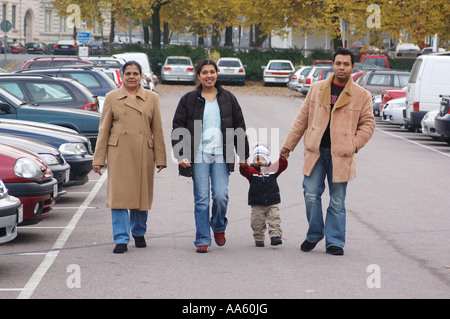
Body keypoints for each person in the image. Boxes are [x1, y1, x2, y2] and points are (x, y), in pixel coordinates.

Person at [280, 47, 375, 255]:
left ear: (352, 67)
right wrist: (288, 146)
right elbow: (302, 119)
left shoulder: (362, 95)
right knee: (311, 194)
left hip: (341, 155)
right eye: (338, 63)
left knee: (337, 200)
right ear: (333, 65)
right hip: (316, 151)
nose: (342, 67)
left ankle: (335, 241)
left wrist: (354, 144)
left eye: (346, 64)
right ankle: (314, 234)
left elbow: (368, 124)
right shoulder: (317, 89)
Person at [172, 59, 249, 253]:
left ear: (217, 73)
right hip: (198, 155)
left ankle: (219, 226)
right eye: (204, 72)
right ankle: (203, 239)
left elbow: (239, 126)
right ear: (198, 76)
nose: (209, 75)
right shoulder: (189, 99)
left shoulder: (228, 98)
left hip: (221, 154)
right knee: (202, 199)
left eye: (212, 72)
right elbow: (178, 125)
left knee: (221, 196)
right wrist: (181, 154)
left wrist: (243, 154)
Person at [93, 60, 167, 254]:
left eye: (135, 73)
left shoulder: (151, 98)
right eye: (128, 73)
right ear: (122, 76)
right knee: (119, 198)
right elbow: (104, 130)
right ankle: (121, 239)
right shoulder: (111, 97)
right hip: (119, 153)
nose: (132, 77)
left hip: (143, 152)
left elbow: (157, 129)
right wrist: (98, 159)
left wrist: (161, 158)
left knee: (140, 196)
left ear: (141, 76)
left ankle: (139, 232)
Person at [239, 143, 287, 247]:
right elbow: (245, 171)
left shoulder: (272, 170)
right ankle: (259, 238)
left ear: (267, 159)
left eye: (262, 159)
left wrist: (283, 159)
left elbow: (281, 166)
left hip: (272, 202)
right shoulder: (252, 171)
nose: (259, 161)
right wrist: (243, 165)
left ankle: (275, 236)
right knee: (257, 222)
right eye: (256, 159)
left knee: (274, 219)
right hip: (257, 203)